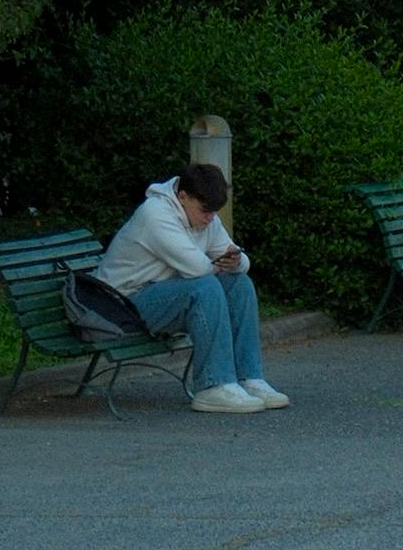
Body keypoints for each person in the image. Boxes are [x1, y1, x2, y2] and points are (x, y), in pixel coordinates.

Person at [96, 163, 288, 414]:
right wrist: (220, 264)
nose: (210, 218)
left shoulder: (204, 215)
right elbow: (197, 269)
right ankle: (213, 385)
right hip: (122, 304)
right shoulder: (155, 215)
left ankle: (249, 378)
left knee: (238, 284)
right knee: (204, 288)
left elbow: (241, 264)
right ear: (182, 196)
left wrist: (235, 261)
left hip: (161, 294)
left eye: (214, 212)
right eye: (205, 211)